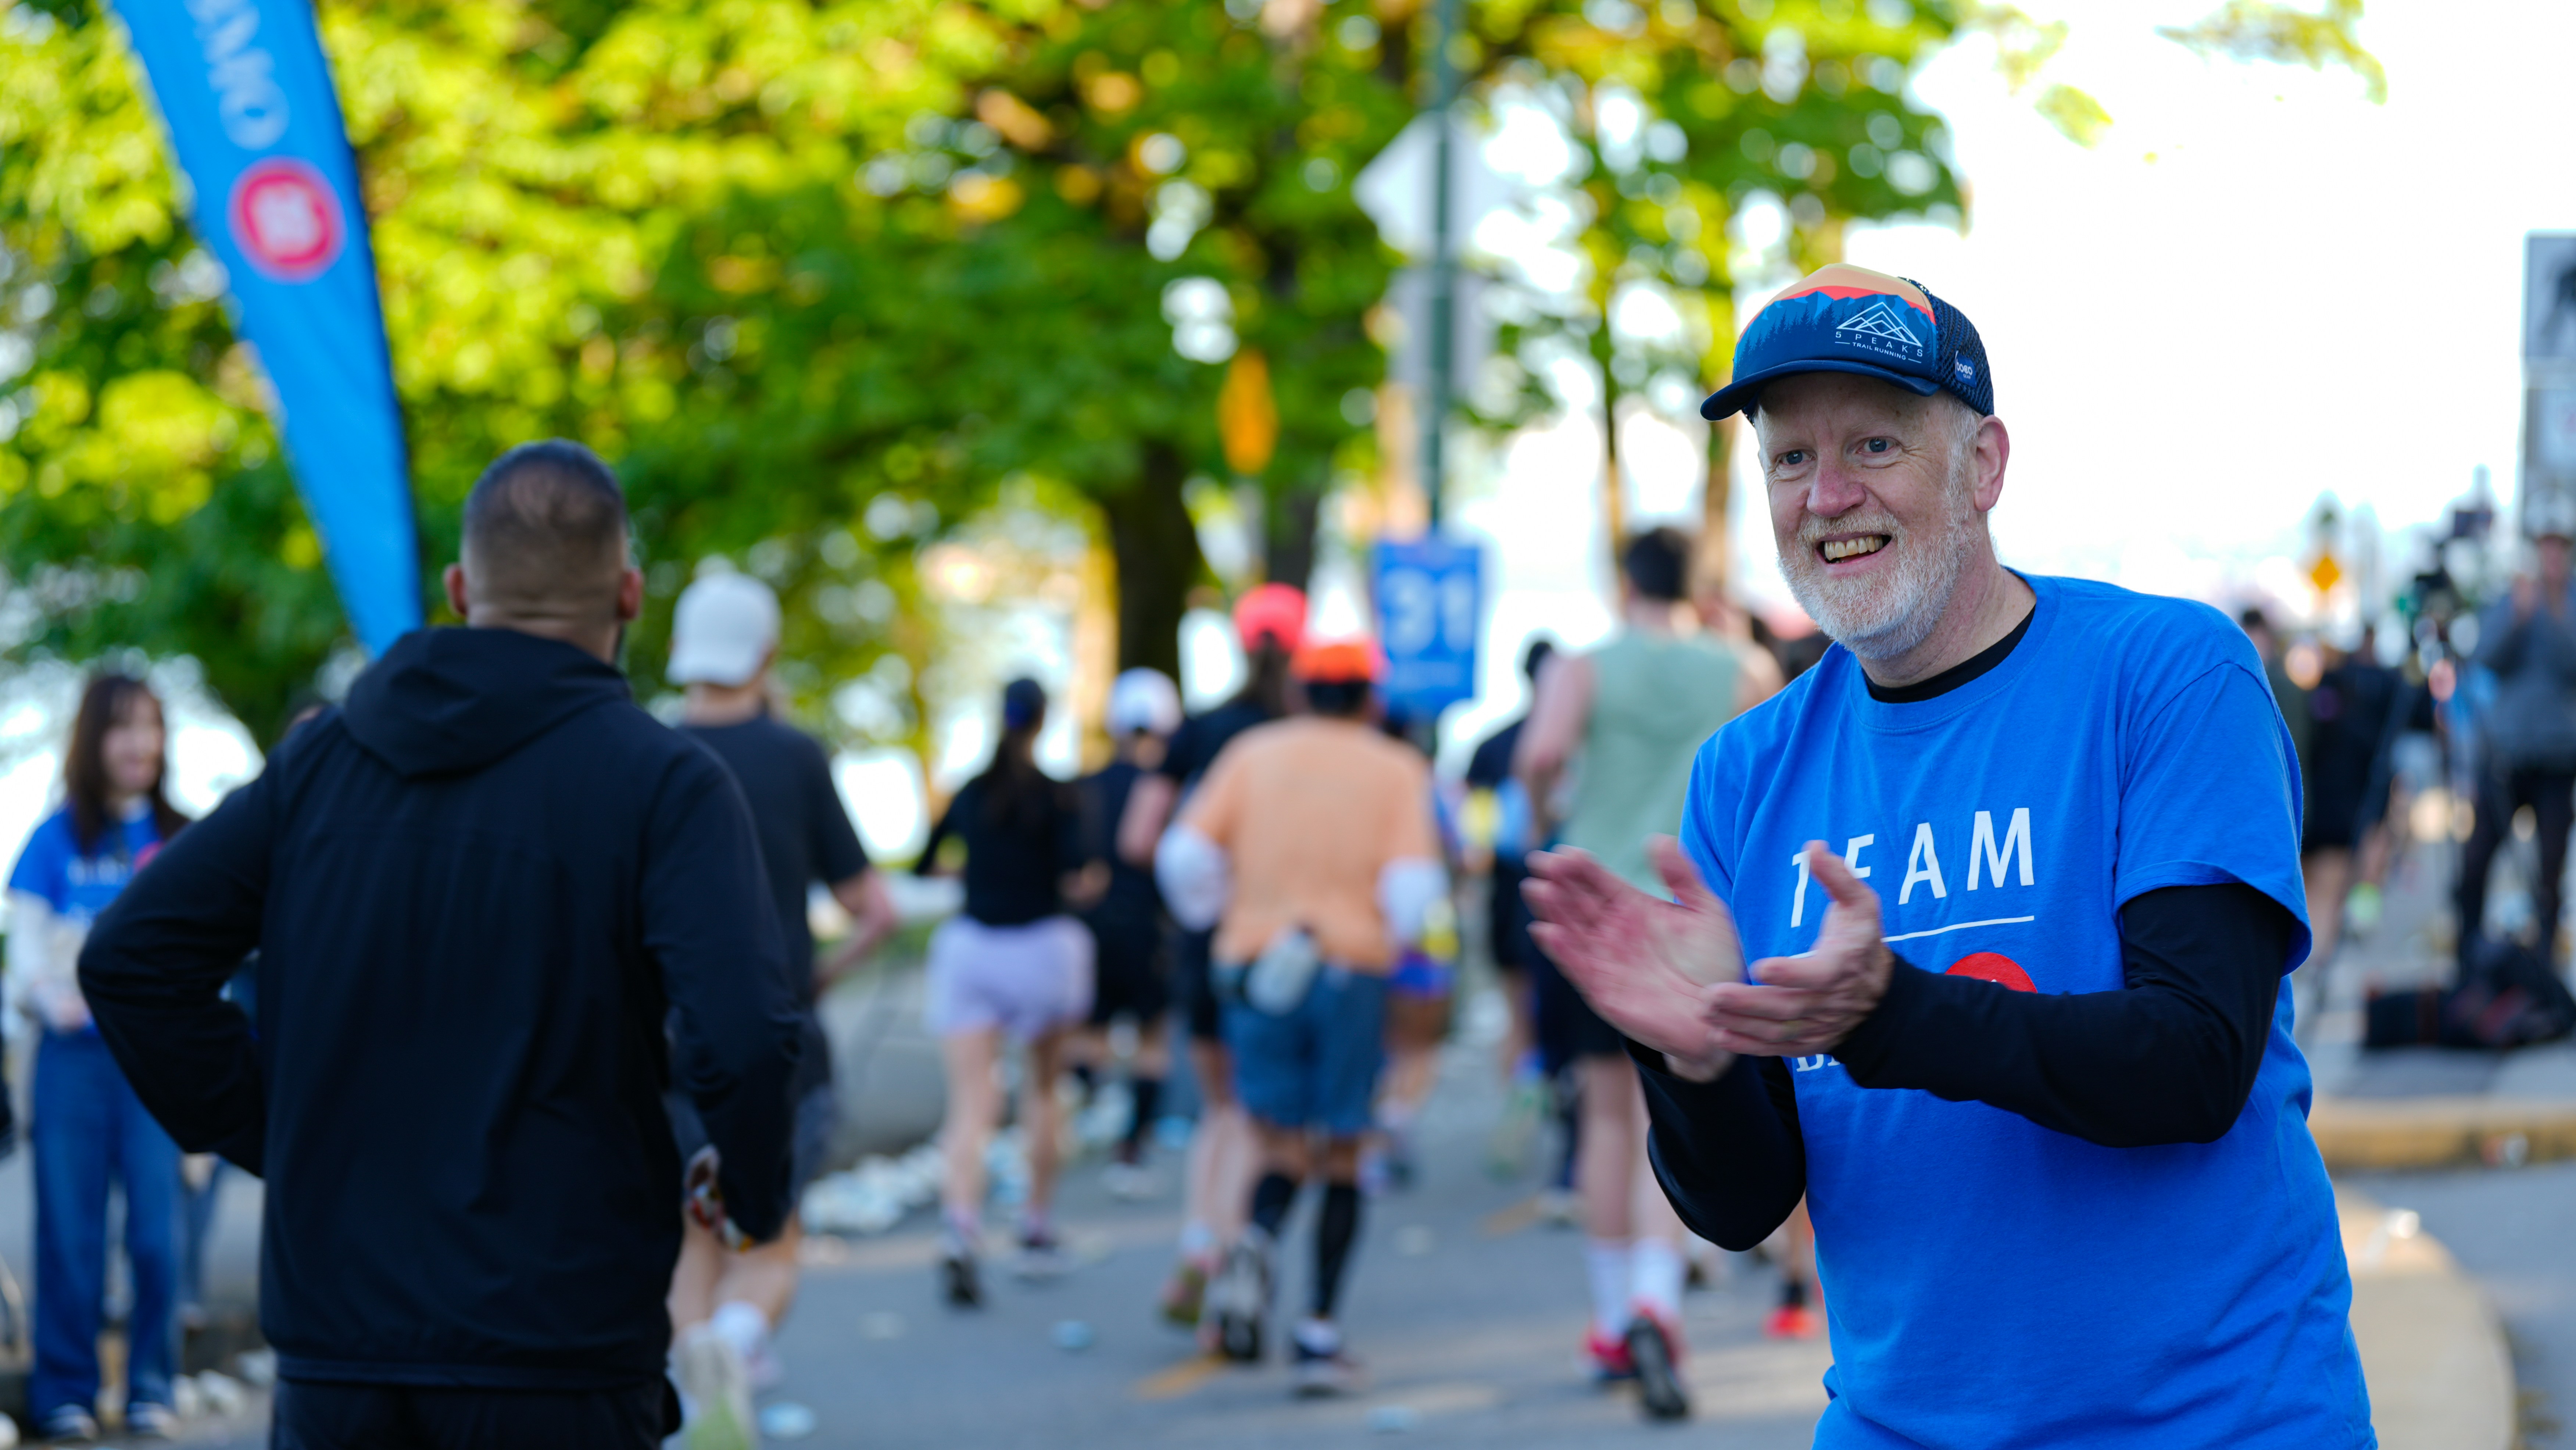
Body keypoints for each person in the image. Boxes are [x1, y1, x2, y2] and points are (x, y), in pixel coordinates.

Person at [1526, 264, 2371, 1448]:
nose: (1824, 495)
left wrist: (1886, 1012)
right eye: (1786, 458)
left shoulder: (2165, 673)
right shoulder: (1743, 772)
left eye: (1873, 446)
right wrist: (1692, 1061)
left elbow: (2193, 1063)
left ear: (1980, 466)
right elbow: (1741, 1204)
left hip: (2214, 1418)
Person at [80, 440, 805, 1450]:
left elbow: (130, 960)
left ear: (463, 590)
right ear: (629, 595)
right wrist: (756, 1194)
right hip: (563, 1348)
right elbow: (746, 1032)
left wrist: (282, 1136)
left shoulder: (320, 764)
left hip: (341, 1352)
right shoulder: (664, 785)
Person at [1158, 638, 1444, 1395]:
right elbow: (1415, 892)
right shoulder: (1395, 769)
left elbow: (1183, 857)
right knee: (1343, 1149)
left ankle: (1251, 1241)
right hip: (1348, 968)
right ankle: (1318, 1332)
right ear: (1370, 698)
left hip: (1256, 964)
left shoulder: (1252, 754)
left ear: (1300, 693)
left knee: (1275, 1141)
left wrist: (1231, 914)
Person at [1514, 526, 1747, 1421]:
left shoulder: (1584, 664)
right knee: (1671, 1113)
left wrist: (1550, 826)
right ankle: (1659, 1296)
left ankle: (1613, 1316)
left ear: (1626, 580)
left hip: (1598, 916)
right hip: (1697, 918)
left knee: (1605, 1116)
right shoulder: (1740, 668)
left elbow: (1538, 756)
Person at [660, 570, 899, 1433]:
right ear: (765, 651)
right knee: (770, 1239)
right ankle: (737, 1334)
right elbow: (874, 908)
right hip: (778, 1040)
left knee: (693, 1234)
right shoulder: (796, 754)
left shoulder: (651, 750)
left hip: (671, 1045)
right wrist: (823, 972)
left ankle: (696, 1390)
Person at [6, 674, 186, 1441]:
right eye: (123, 728)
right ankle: (65, 1391)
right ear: (93, 739)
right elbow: (24, 956)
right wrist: (55, 1000)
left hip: (153, 1064)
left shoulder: (182, 837)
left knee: (156, 1229)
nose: (140, 743)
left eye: (151, 726)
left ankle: (152, 1383)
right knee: (69, 1231)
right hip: (72, 1062)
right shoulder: (54, 839)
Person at [1119, 584, 1305, 1329]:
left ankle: (1201, 1242)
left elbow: (1141, 838)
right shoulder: (1301, 734)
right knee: (1263, 1117)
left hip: (1202, 945)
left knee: (1219, 1110)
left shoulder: (1195, 731)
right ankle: (1236, 1262)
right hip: (1282, 948)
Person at [916, 677, 1098, 1305]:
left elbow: (923, 861)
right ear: (1045, 721)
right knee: (1043, 1089)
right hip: (1041, 948)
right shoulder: (1059, 794)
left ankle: (960, 1228)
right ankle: (1034, 1224)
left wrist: (974, 869)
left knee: (971, 1102)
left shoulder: (971, 788)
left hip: (971, 947)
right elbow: (1079, 876)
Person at [1073, 667, 1185, 1197]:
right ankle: (1132, 1146)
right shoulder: (1166, 790)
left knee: (1091, 1032)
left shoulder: (1084, 786)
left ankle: (1092, 1113)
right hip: (1147, 926)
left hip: (1091, 927)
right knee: (1152, 1039)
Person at [2456, 525, 2576, 964]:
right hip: (2507, 755)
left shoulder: (2571, 603)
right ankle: (2467, 955)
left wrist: (2557, 612)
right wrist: (2519, 617)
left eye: (2558, 549)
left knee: (2550, 871)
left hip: (2559, 758)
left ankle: (2545, 964)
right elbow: (2485, 658)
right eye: (2545, 547)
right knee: (2477, 857)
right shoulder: (2512, 600)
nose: (2551, 557)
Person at [1461, 638, 1553, 1179]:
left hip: (1506, 891)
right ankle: (1553, 1100)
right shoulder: (1576, 735)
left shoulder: (1492, 746)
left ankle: (1518, 1101)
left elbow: (1476, 833)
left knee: (1516, 1009)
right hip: (1564, 889)